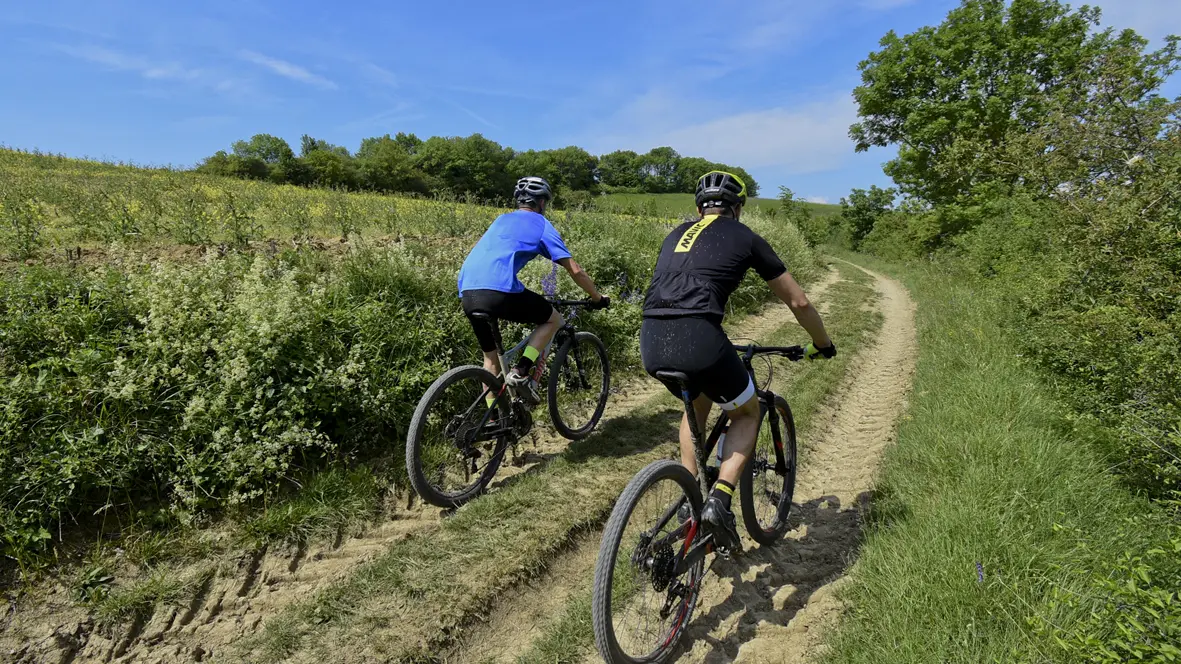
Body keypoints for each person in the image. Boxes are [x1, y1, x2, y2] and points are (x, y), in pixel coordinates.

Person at [640, 170, 835, 552]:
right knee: (746, 412)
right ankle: (719, 499)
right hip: (700, 338)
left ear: (699, 208)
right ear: (738, 208)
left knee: (697, 402)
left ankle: (690, 493)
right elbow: (798, 301)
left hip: (651, 339)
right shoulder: (745, 236)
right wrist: (821, 342)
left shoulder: (675, 234)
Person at [457, 176, 608, 402]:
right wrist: (596, 297)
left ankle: (493, 420)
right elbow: (575, 270)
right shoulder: (541, 224)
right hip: (499, 290)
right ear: (542, 203)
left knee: (490, 360)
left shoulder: (500, 220)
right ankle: (522, 369)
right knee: (552, 319)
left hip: (467, 291)